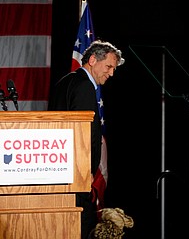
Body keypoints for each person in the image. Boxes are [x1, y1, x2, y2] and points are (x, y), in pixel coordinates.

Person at [48, 40, 124, 239]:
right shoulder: (84, 86)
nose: (111, 73)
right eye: (108, 66)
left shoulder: (66, 81)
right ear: (92, 59)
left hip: (60, 170)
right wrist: (87, 170)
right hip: (77, 175)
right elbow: (83, 133)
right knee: (81, 228)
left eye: (113, 69)